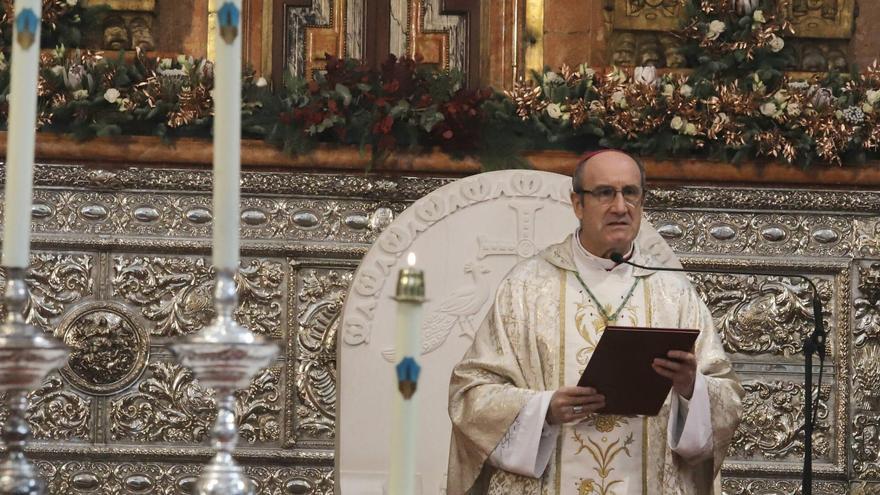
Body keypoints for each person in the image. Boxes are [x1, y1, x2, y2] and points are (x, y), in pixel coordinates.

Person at [447, 150, 744, 494]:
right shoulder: (526, 287)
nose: (620, 207)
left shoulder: (673, 293)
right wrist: (543, 409)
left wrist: (691, 387)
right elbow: (470, 394)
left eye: (630, 193)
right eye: (605, 193)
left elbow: (727, 397)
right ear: (578, 204)